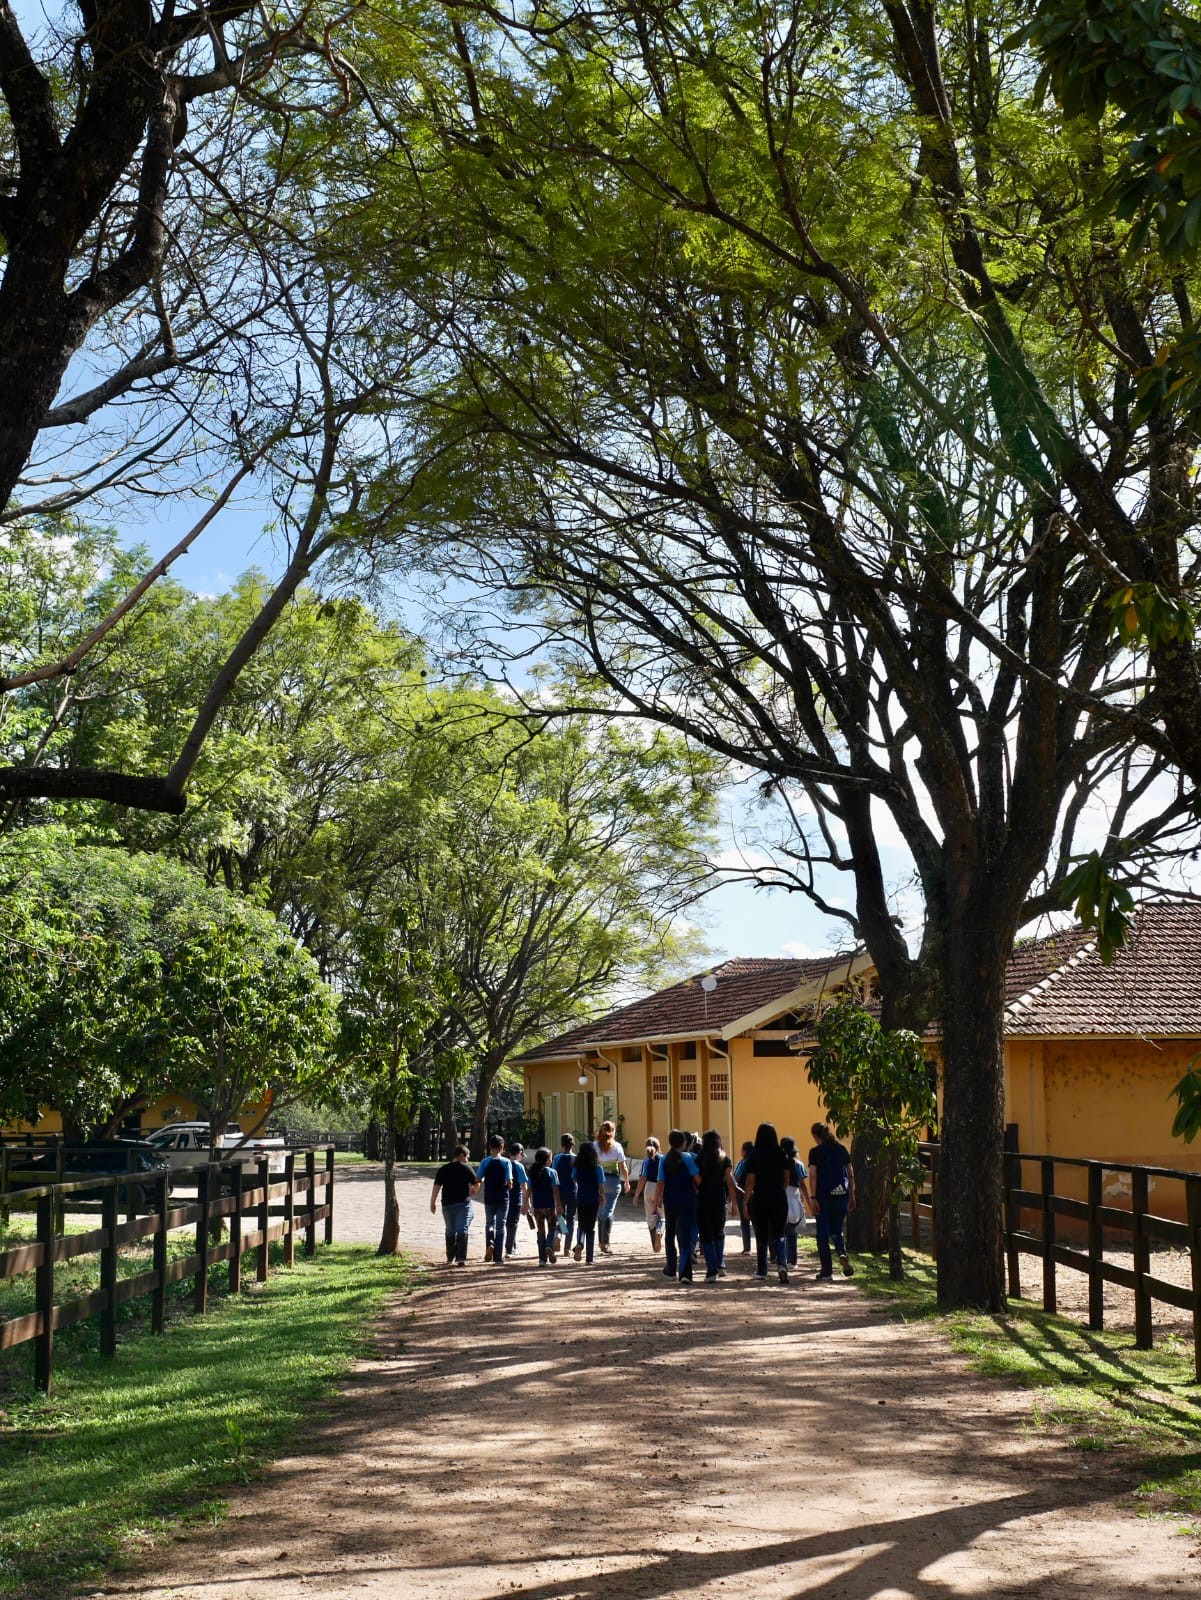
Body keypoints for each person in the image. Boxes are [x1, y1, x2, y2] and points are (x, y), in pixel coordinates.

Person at [742, 1121, 791, 1283]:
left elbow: (750, 1180)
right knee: (779, 1233)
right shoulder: (781, 1153)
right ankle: (782, 1264)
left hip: (760, 1198)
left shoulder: (754, 1155)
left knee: (761, 1235)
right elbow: (786, 1176)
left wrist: (746, 1200)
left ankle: (762, 1270)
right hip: (778, 1196)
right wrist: (780, 1190)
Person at [809, 1121, 855, 1279]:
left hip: (823, 1197)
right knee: (837, 1230)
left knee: (822, 1234)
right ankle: (842, 1253)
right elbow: (850, 1174)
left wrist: (813, 1198)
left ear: (816, 1136)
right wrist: (852, 1195)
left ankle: (826, 1270)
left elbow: (813, 1175)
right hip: (841, 1195)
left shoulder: (815, 1152)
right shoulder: (841, 1149)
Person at [653, 1128, 700, 1284]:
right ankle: (686, 1273)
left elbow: (660, 1182)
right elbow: (697, 1178)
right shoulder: (687, 1158)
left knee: (670, 1235)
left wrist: (656, 1201)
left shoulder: (664, 1159)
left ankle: (671, 1269)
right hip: (687, 1200)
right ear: (684, 1143)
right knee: (684, 1236)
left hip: (670, 1201)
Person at [696, 1129, 739, 1282]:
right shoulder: (724, 1158)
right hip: (720, 1200)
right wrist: (733, 1202)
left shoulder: (699, 1158)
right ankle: (720, 1264)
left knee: (706, 1235)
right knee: (719, 1232)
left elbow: (696, 1180)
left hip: (703, 1199)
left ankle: (711, 1270)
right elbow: (730, 1181)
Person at [430, 1144, 479, 1266]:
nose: (467, 1160)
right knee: (462, 1229)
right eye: (467, 1157)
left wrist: (432, 1202)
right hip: (463, 1204)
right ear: (462, 1156)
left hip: (447, 1204)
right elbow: (476, 1182)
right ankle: (461, 1257)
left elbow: (436, 1186)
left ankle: (450, 1257)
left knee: (450, 1230)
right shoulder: (466, 1168)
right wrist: (474, 1189)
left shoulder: (443, 1169)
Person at [476, 1134, 513, 1265]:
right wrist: (510, 1186)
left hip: (489, 1197)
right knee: (501, 1226)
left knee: (489, 1224)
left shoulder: (485, 1162)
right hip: (503, 1198)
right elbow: (509, 1181)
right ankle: (498, 1255)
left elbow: (478, 1178)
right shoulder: (506, 1162)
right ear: (502, 1147)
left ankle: (489, 1245)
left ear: (490, 1147)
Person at [595, 1120, 630, 1254]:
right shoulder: (617, 1147)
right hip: (612, 1181)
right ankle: (606, 1242)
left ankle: (600, 1241)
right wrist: (626, 1181)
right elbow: (623, 1167)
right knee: (608, 1211)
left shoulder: (594, 1146)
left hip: (598, 1181)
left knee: (600, 1211)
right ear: (613, 1131)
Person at [780, 1135, 812, 1268]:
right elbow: (803, 1184)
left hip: (781, 1196)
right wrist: (809, 1203)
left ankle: (781, 1258)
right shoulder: (799, 1164)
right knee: (792, 1231)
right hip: (794, 1198)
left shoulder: (779, 1163)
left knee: (780, 1231)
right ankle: (792, 1260)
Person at [527, 1146, 564, 1265]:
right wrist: (558, 1205)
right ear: (548, 1160)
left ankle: (542, 1259)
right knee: (552, 1228)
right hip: (550, 1207)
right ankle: (549, 1245)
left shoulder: (533, 1172)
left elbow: (529, 1189)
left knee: (540, 1231)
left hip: (537, 1207)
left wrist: (525, 1203)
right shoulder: (552, 1172)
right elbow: (556, 1190)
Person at [631, 1136, 665, 1252]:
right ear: (658, 1146)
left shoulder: (646, 1161)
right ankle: (660, 1230)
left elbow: (642, 1178)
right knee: (662, 1215)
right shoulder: (663, 1159)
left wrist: (636, 1195)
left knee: (651, 1217)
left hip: (649, 1187)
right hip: (661, 1188)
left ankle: (654, 1245)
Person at [572, 1138, 603, 1263]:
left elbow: (573, 1180)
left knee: (581, 1224)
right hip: (593, 1199)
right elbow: (601, 1187)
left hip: (580, 1198)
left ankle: (579, 1242)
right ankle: (589, 1258)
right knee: (591, 1227)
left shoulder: (577, 1168)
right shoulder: (597, 1168)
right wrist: (602, 1196)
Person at [505, 1141, 532, 1256]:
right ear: (519, 1153)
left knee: (506, 1223)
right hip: (515, 1198)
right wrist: (527, 1201)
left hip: (503, 1198)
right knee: (513, 1223)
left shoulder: (504, 1163)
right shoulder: (518, 1166)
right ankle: (510, 1249)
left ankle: (512, 1246)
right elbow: (524, 1185)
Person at [553, 1134, 578, 1255]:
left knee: (560, 1216)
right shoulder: (576, 1159)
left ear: (562, 1145)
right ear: (573, 1144)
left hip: (560, 1191)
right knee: (571, 1219)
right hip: (573, 1191)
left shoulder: (557, 1158)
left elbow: (554, 1174)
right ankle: (567, 1248)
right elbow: (576, 1176)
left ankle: (558, 1233)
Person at [733, 1140, 754, 1254]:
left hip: (742, 1194)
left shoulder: (742, 1163)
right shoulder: (756, 1162)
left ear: (744, 1151)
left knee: (744, 1221)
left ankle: (747, 1248)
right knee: (757, 1221)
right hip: (755, 1194)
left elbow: (735, 1179)